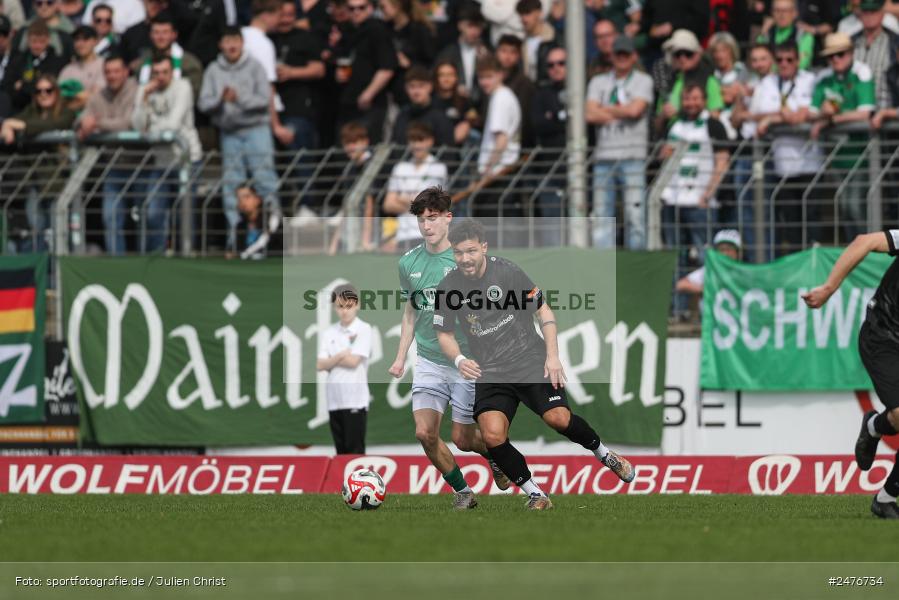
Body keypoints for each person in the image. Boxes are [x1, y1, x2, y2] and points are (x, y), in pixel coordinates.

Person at [433, 218, 635, 510]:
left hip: (529, 359)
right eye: (459, 252)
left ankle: (605, 455)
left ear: (484, 248)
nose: (465, 259)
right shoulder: (449, 285)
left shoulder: (507, 273)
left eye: (471, 251)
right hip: (490, 371)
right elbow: (444, 334)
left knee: (559, 419)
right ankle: (535, 493)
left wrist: (552, 356)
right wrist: (459, 358)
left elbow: (543, 309)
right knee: (491, 436)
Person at [388, 188, 511, 510]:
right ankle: (463, 492)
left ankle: (495, 454)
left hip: (465, 360)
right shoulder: (408, 262)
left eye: (432, 218)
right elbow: (411, 312)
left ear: (447, 218)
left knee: (464, 439)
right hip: (429, 359)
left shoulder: (463, 259)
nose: (426, 226)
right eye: (420, 219)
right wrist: (400, 357)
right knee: (424, 433)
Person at [803, 231, 899, 519]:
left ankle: (875, 430)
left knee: (896, 419)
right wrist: (830, 288)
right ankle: (883, 502)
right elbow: (865, 242)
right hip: (882, 337)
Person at [198, 26, 281, 253]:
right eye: (227, 41)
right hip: (229, 133)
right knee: (232, 187)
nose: (232, 45)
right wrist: (219, 99)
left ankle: (272, 237)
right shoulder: (214, 70)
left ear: (242, 42)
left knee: (265, 181)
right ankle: (236, 241)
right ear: (220, 45)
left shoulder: (255, 67)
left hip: (256, 130)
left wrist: (239, 98)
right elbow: (203, 103)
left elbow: (264, 99)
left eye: (235, 40)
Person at [660, 83, 730, 317]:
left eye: (696, 98)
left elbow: (722, 160)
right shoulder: (675, 125)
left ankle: (706, 309)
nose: (691, 103)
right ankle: (677, 310)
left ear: (704, 100)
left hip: (700, 201)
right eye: (687, 98)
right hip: (673, 199)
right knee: (674, 255)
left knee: (704, 256)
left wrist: (709, 193)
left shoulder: (713, 125)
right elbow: (664, 156)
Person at [751, 42, 821, 257]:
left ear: (798, 61)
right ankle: (798, 270)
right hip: (783, 166)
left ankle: (816, 266)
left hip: (811, 164)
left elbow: (812, 111)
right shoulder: (768, 83)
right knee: (790, 224)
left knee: (812, 220)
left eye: (789, 59)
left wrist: (775, 118)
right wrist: (781, 116)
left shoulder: (810, 80)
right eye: (780, 60)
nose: (784, 64)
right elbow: (755, 114)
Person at [130, 52, 202, 253]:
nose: (161, 76)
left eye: (165, 72)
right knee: (153, 213)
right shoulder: (146, 91)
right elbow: (137, 125)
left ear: (172, 72)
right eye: (156, 73)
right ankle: (158, 260)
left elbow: (172, 125)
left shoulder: (183, 87)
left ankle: (186, 258)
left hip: (187, 160)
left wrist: (151, 129)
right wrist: (142, 97)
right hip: (161, 162)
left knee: (183, 216)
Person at [587, 35, 652, 250]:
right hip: (604, 156)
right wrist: (622, 112)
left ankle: (636, 261)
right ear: (611, 56)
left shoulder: (644, 80)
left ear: (634, 56)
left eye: (626, 54)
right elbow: (588, 114)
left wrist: (605, 110)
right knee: (601, 214)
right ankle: (602, 265)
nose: (621, 58)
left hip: (632, 156)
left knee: (635, 213)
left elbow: (636, 110)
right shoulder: (598, 81)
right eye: (618, 54)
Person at [810, 32, 875, 243]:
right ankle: (854, 252)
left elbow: (865, 112)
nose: (836, 59)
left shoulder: (862, 72)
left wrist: (831, 119)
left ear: (851, 52)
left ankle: (869, 251)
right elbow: (812, 112)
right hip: (835, 156)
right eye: (831, 56)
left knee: (855, 206)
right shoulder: (823, 78)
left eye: (841, 54)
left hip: (861, 155)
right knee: (844, 207)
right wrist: (823, 113)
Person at [1, 74, 75, 252]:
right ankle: (41, 274)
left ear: (56, 92)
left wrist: (19, 126)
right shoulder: (30, 111)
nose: (43, 94)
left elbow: (54, 124)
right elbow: (15, 121)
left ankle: (60, 272)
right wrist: (7, 125)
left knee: (60, 231)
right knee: (36, 231)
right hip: (34, 181)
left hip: (58, 182)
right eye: (38, 91)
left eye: (48, 90)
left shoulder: (66, 112)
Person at [77, 53, 138, 255]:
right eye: (108, 72)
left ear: (126, 72)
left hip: (142, 166)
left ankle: (151, 267)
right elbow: (80, 120)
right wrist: (83, 123)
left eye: (116, 71)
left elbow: (128, 123)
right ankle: (117, 267)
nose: (112, 76)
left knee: (149, 218)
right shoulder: (100, 95)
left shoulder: (136, 90)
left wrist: (98, 124)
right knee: (110, 218)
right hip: (114, 167)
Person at [317, 283, 373, 455]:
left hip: (355, 399)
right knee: (340, 451)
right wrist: (340, 355)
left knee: (354, 450)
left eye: (348, 306)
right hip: (334, 399)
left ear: (357, 305)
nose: (344, 311)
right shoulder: (329, 332)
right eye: (340, 307)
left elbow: (354, 361)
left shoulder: (364, 329)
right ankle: (344, 483)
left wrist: (331, 360)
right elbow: (320, 364)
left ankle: (359, 483)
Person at [334, 0, 397, 142]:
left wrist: (369, 93)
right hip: (347, 102)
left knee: (367, 150)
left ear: (370, 8)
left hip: (371, 104)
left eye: (361, 8)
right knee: (344, 150)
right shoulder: (347, 31)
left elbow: (387, 67)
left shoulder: (377, 29)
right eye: (351, 8)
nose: (356, 12)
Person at [269, 0, 325, 151]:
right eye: (282, 15)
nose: (286, 20)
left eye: (290, 15)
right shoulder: (267, 38)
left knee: (300, 157)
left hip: (298, 108)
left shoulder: (305, 37)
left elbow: (319, 69)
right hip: (272, 109)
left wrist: (291, 73)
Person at [383, 122, 448, 253]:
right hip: (403, 235)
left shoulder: (438, 168)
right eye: (413, 141)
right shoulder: (400, 168)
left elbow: (433, 206)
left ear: (430, 141)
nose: (417, 145)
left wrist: (401, 199)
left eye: (420, 140)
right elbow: (388, 204)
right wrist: (417, 206)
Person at [531, 45, 566, 246]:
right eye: (551, 64)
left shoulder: (582, 90)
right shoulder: (542, 95)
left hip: (580, 171)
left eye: (561, 63)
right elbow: (538, 124)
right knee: (551, 231)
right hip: (550, 171)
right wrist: (563, 119)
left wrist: (553, 118)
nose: (556, 68)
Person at [656, 29, 724, 131]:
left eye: (688, 53)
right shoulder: (668, 82)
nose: (682, 58)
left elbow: (715, 118)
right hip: (671, 141)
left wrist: (688, 111)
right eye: (677, 54)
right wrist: (663, 116)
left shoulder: (709, 82)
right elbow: (657, 126)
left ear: (697, 55)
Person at [134, 12, 203, 101]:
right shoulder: (143, 63)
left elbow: (193, 96)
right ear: (150, 35)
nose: (160, 37)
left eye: (165, 32)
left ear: (174, 35)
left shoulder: (189, 64)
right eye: (156, 32)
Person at [1, 19, 68, 111]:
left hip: (44, 109)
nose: (37, 46)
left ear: (48, 40)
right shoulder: (18, 59)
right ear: (28, 40)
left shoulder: (56, 61)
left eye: (41, 42)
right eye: (34, 41)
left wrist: (22, 85)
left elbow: (48, 86)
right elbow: (6, 84)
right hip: (16, 107)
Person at [379, 0, 435, 106]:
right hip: (387, 93)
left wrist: (409, 64)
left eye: (383, 7)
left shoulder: (419, 30)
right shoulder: (383, 29)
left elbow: (431, 63)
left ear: (397, 6)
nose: (381, 11)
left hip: (411, 94)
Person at [434, 6, 489, 106]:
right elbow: (435, 79)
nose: (474, 31)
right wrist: (455, 88)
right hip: (452, 104)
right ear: (460, 26)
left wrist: (486, 62)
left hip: (480, 106)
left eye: (478, 27)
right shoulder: (447, 52)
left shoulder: (487, 52)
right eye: (470, 26)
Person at [851, 0, 899, 110]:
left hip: (885, 113)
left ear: (882, 14)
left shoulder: (895, 42)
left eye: (873, 11)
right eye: (865, 11)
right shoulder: (850, 42)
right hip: (855, 112)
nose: (869, 15)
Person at [390, 65, 454, 146]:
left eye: (421, 86)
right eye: (412, 86)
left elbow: (447, 152)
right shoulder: (402, 115)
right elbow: (394, 146)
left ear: (430, 87)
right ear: (406, 89)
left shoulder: (440, 117)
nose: (416, 92)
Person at [675, 228, 742, 297]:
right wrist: (706, 289)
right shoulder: (710, 270)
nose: (725, 253)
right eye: (721, 249)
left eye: (729, 249)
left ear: (738, 252)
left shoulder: (744, 271)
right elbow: (680, 285)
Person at [58, 25, 104, 109]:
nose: (80, 43)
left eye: (85, 39)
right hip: (68, 116)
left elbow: (96, 96)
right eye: (77, 40)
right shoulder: (68, 69)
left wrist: (71, 97)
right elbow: (58, 96)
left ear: (95, 41)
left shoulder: (103, 65)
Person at [432, 60, 476, 146]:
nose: (446, 79)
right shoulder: (430, 101)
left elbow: (473, 119)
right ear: (436, 78)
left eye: (450, 75)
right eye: (442, 75)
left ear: (456, 77)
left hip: (458, 150)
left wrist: (468, 123)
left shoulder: (464, 100)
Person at [760, 0, 815, 69]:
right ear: (772, 13)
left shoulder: (804, 35)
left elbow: (802, 64)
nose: (781, 15)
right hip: (769, 78)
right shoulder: (765, 35)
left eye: (786, 11)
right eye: (777, 10)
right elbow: (759, 64)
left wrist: (772, 65)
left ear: (795, 13)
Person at [234, 181, 282, 259]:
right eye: (239, 198)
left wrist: (244, 254)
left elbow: (263, 242)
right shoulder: (240, 225)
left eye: (247, 197)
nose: (242, 201)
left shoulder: (272, 219)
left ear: (258, 199)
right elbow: (239, 249)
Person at [516, 0, 557, 83]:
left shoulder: (555, 38)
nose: (524, 19)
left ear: (539, 13)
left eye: (527, 13)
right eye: (521, 14)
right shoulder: (521, 43)